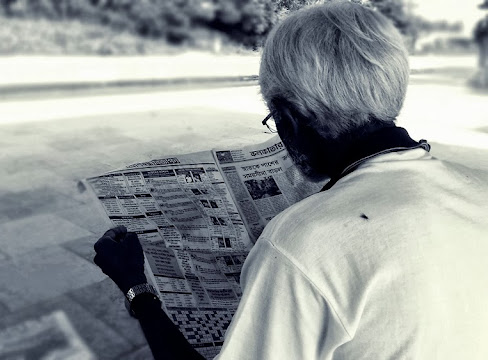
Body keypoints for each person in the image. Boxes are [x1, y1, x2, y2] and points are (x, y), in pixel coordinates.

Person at [93, 1, 488, 359]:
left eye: (274, 120)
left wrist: (136, 288)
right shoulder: (479, 188)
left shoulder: (299, 244)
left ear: (289, 119)